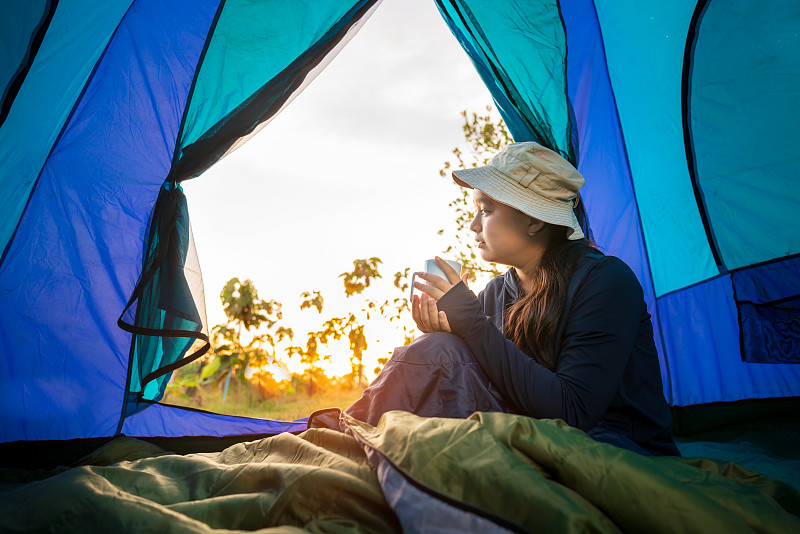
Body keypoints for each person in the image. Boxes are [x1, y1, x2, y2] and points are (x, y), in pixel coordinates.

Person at [346, 142, 678, 456]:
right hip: (534, 430)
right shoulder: (497, 292)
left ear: (534, 219)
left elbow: (572, 412)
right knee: (439, 348)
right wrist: (447, 328)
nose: (473, 225)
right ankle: (358, 435)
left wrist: (470, 322)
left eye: (486, 210)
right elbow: (482, 374)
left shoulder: (605, 282)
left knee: (442, 355)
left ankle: (361, 438)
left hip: (618, 446)